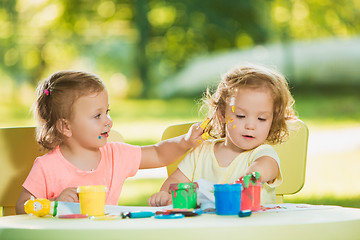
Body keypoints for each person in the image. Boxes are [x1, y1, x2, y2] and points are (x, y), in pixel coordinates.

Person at [16, 71, 204, 214]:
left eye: (107, 111)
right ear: (65, 127)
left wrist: (185, 142)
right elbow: (22, 207)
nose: (108, 121)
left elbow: (157, 153)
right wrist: (56, 204)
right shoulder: (47, 167)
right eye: (97, 115)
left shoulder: (115, 155)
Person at [148, 64, 297, 207]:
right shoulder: (200, 152)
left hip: (251, 228)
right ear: (222, 114)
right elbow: (175, 182)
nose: (250, 126)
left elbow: (267, 168)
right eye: (240, 116)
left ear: (273, 120)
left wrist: (253, 175)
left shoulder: (261, 154)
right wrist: (165, 195)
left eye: (262, 119)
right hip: (207, 229)